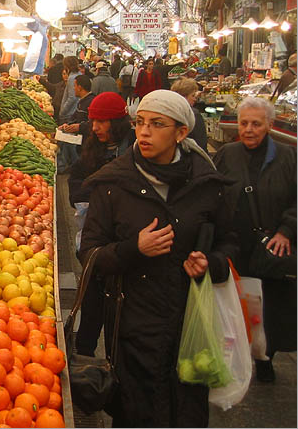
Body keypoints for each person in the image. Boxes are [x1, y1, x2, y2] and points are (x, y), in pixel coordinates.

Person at [79, 89, 237, 427]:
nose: (145, 132)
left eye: (157, 124)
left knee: (186, 410)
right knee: (136, 411)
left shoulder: (206, 183)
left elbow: (230, 242)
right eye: (140, 123)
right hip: (133, 325)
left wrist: (211, 262)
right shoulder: (113, 184)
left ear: (181, 133)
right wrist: (133, 249)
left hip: (189, 324)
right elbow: (89, 254)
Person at [214, 97, 296, 383]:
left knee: (268, 309)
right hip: (235, 244)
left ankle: (265, 356)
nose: (248, 129)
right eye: (244, 123)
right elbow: (212, 193)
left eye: (256, 124)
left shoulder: (288, 157)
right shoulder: (227, 154)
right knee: (234, 305)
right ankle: (234, 360)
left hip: (269, 245)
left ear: (270, 126)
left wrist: (287, 229)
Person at [68, 93, 135, 357]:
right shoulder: (91, 148)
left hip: (124, 242)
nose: (95, 127)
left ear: (118, 122)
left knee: (120, 306)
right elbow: (75, 181)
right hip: (94, 241)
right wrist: (88, 201)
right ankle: (85, 353)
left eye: (102, 121)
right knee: (92, 297)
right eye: (93, 121)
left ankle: (116, 359)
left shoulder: (134, 148)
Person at [171, 78, 208, 150]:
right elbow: (201, 143)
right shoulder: (193, 114)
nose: (195, 99)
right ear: (184, 96)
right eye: (193, 96)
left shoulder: (169, 112)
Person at [58, 56, 81, 125]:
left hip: (69, 114)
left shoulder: (72, 78)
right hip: (75, 111)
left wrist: (63, 111)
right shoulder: (79, 74)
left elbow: (72, 97)